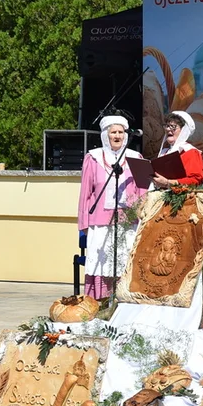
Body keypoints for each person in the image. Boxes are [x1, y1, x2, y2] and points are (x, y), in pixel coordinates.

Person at [77, 115, 147, 299]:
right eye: (113, 132)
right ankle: (100, 300)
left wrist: (142, 216)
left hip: (128, 221)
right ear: (105, 135)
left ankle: (123, 300)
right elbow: (85, 193)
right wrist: (84, 222)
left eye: (121, 132)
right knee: (103, 262)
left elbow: (142, 191)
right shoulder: (93, 158)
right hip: (100, 220)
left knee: (124, 261)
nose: (117, 136)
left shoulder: (135, 157)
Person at [153, 111, 203, 188]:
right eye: (167, 126)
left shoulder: (190, 151)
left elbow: (196, 180)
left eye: (173, 126)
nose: (168, 129)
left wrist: (168, 183)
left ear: (184, 130)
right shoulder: (164, 152)